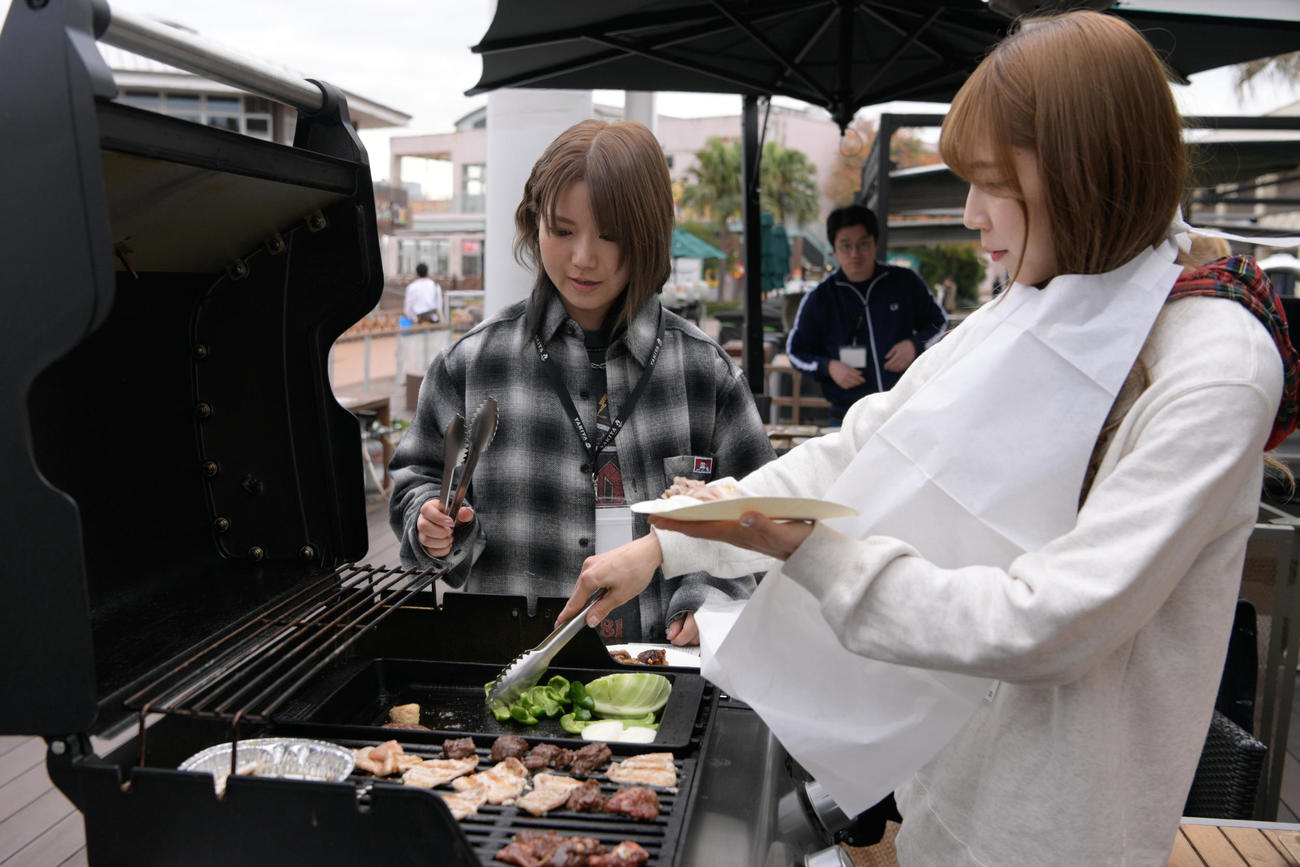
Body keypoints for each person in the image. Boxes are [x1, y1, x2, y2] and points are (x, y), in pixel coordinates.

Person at [557, 11, 1299, 866]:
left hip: (1058, 830)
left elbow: (1053, 622)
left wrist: (812, 553)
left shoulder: (1215, 364)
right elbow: (869, 444)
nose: (971, 212)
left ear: (1081, 170)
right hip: (940, 784)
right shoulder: (1051, 297)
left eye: (991, 180)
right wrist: (666, 545)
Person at [388, 119, 774, 646]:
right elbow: (417, 476)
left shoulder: (706, 375)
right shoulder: (472, 363)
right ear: (533, 223)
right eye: (562, 231)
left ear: (649, 235)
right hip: (504, 674)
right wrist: (429, 522)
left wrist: (707, 596)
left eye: (610, 235)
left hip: (659, 680)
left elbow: (763, 519)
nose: (583, 257)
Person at [786, 205, 948, 425]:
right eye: (846, 246)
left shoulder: (905, 282)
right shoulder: (820, 298)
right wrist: (829, 367)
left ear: (875, 244)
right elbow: (796, 351)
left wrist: (915, 345)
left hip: (904, 410)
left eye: (863, 244)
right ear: (834, 249)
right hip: (847, 416)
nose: (855, 254)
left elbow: (939, 322)